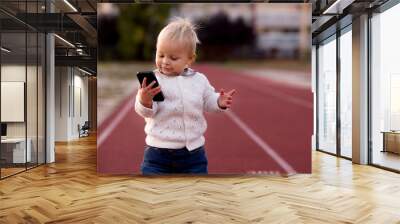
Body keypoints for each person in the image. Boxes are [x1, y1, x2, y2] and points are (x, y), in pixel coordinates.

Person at [134, 17, 236, 175]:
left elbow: (208, 101)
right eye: (160, 55)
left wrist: (219, 101)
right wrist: (144, 100)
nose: (165, 62)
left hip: (193, 156)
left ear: (190, 59)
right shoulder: (154, 81)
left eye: (173, 58)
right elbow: (147, 112)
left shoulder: (199, 80)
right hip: (157, 154)